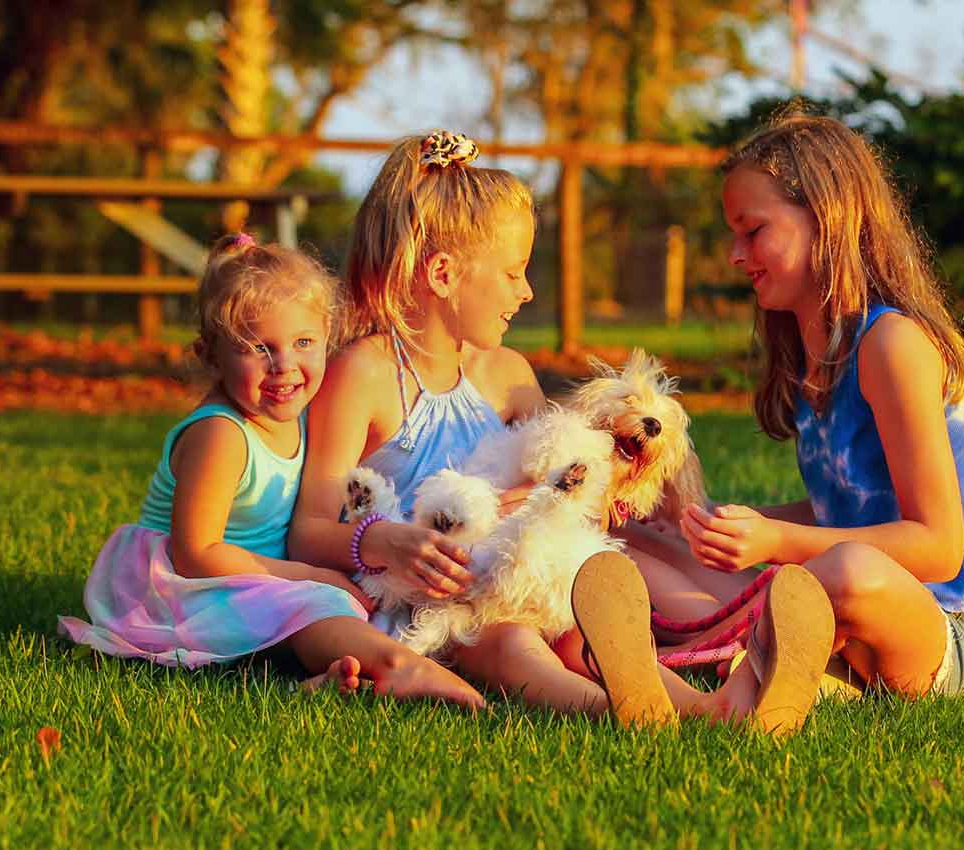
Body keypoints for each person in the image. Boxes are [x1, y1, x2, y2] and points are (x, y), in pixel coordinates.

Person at [289, 130, 829, 733]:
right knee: (509, 641)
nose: (526, 292)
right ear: (443, 274)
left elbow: (574, 478)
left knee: (583, 628)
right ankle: (620, 710)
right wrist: (386, 541)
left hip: (528, 574)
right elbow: (307, 531)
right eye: (514, 273)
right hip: (434, 602)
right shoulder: (363, 374)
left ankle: (705, 705)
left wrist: (591, 499)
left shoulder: (509, 376)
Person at [626, 112, 964, 699]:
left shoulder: (891, 344)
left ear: (827, 219)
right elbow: (846, 508)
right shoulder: (813, 350)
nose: (736, 254)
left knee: (842, 573)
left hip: (934, 624)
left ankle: (721, 671)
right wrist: (723, 522)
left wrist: (776, 544)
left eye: (752, 231)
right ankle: (773, 663)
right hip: (830, 600)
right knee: (646, 539)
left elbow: (937, 547)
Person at [60, 235, 485, 709]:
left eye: (304, 343)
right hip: (184, 588)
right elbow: (196, 554)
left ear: (327, 337)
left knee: (332, 602)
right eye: (259, 348)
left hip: (255, 579)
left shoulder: (302, 414)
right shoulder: (222, 435)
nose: (284, 367)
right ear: (211, 355)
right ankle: (397, 666)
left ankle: (324, 674)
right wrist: (310, 576)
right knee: (319, 604)